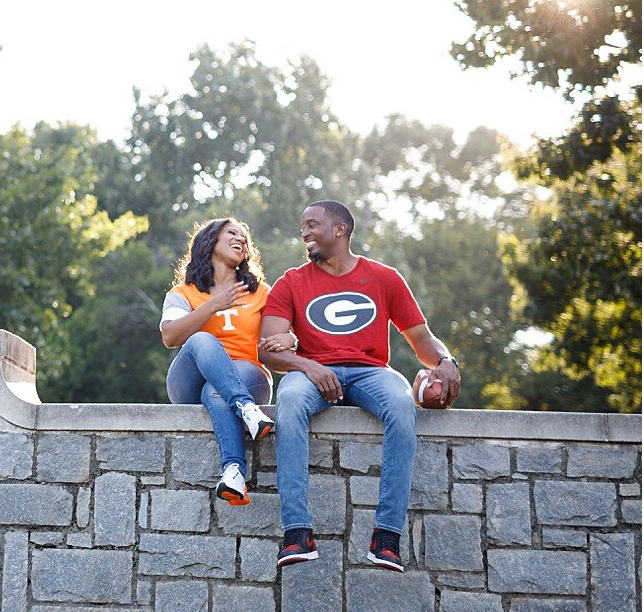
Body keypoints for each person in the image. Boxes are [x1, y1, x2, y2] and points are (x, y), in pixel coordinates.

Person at [260, 200, 461, 573]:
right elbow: (268, 351)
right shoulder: (291, 282)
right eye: (302, 226)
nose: (304, 232)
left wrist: (446, 362)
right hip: (311, 372)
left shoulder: (384, 278)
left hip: (371, 372)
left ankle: (386, 538)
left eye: (312, 224)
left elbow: (421, 340)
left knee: (401, 404)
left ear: (340, 229)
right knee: (288, 399)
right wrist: (309, 365)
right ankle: (297, 532)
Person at [160, 217, 291, 505]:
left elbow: (285, 337)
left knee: (215, 390)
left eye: (244, 238)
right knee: (200, 340)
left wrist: (292, 339)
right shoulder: (183, 293)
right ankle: (246, 407)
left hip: (248, 373)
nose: (241, 240)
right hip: (189, 383)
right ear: (210, 241)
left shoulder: (260, 292)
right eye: (232, 233)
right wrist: (213, 306)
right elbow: (170, 336)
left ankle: (233, 472)